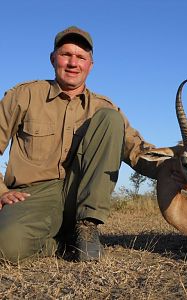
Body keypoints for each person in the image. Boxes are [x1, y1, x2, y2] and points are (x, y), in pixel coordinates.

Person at [0, 26, 163, 263]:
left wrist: (175, 169)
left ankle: (86, 228)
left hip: (80, 194)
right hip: (34, 195)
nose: (73, 63)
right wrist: (2, 191)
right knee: (6, 246)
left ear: (90, 65)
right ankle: (62, 242)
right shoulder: (24, 95)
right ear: (53, 58)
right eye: (66, 55)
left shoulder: (104, 106)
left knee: (110, 120)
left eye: (81, 57)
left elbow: (137, 151)